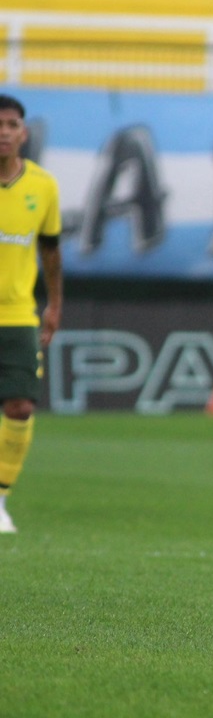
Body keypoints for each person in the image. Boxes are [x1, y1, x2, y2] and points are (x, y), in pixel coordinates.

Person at [0, 94, 63, 534]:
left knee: (20, 405)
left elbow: (51, 251)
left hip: (19, 314)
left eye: (12, 124)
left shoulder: (43, 186)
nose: (4, 131)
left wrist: (55, 304)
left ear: (23, 132)